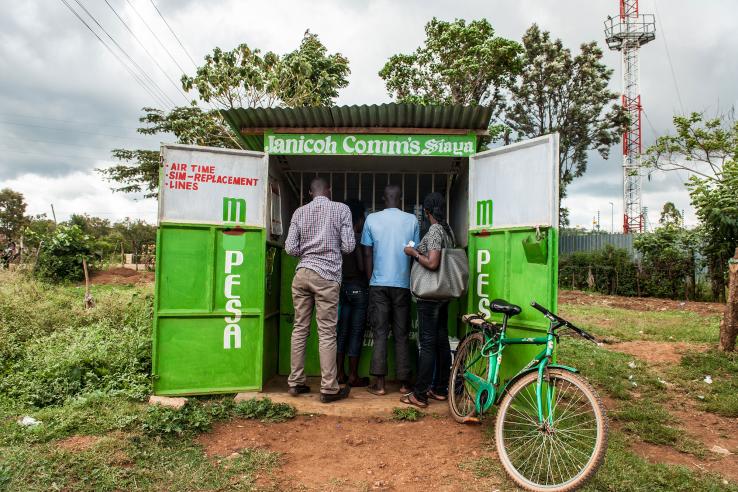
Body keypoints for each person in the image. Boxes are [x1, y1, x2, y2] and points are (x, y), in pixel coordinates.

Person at [284, 176, 355, 403]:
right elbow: (349, 246)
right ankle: (328, 389)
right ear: (329, 191)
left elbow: (290, 248)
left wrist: (308, 252)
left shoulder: (299, 212)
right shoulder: (341, 209)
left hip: (302, 274)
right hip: (327, 276)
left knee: (300, 328)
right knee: (326, 333)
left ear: (310, 193)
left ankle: (295, 382)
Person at [361, 184, 420, 396]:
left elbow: (367, 253)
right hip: (402, 285)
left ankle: (380, 385)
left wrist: (371, 280)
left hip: (378, 284)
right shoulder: (412, 220)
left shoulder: (372, 219)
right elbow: (414, 252)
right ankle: (404, 383)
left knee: (379, 333)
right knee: (402, 334)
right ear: (401, 198)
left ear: (383, 199)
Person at [400, 192, 454, 408]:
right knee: (441, 341)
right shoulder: (448, 230)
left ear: (427, 211)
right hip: (444, 294)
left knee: (429, 343)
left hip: (430, 295)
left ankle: (419, 394)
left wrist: (412, 252)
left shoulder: (434, 230)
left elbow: (432, 263)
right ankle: (440, 389)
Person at [336, 199, 370, 387]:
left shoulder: (339, 236)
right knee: (356, 333)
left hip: (343, 288)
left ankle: (339, 374)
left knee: (342, 332)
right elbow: (360, 265)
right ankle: (353, 376)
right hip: (358, 289)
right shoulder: (356, 237)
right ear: (358, 219)